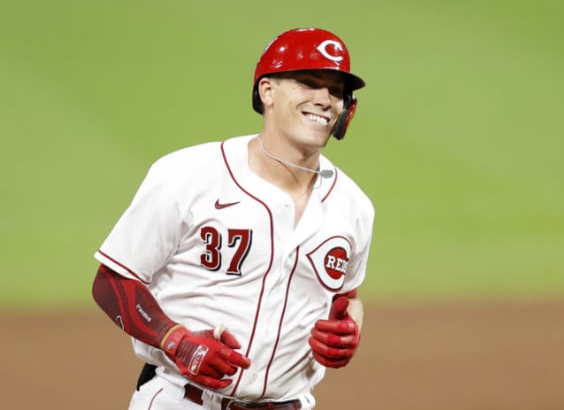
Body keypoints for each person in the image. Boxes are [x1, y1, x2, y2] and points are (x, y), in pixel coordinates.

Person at [91, 27, 374, 410]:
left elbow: (346, 295)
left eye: (336, 91)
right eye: (308, 82)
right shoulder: (189, 174)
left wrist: (350, 328)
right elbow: (113, 279)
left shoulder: (353, 205)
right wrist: (174, 338)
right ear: (267, 91)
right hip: (183, 400)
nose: (324, 99)